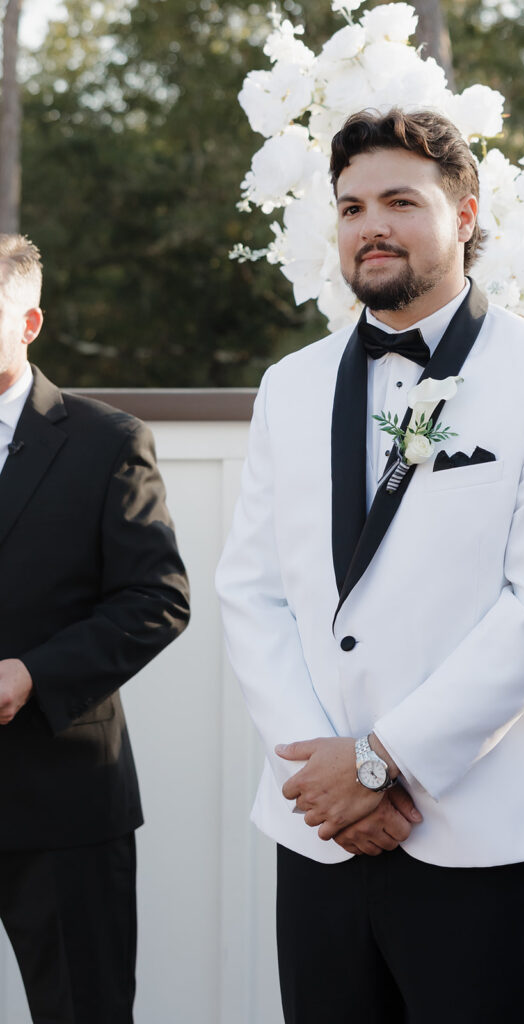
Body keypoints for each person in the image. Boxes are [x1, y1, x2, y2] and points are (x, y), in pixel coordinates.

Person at [216, 109, 524, 1023]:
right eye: (352, 206)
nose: (372, 225)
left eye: (401, 200)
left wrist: (381, 764)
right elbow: (253, 591)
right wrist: (325, 774)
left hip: (474, 829)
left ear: (466, 215)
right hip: (319, 831)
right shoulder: (290, 385)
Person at [0, 234, 190, 1024]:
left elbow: (157, 599)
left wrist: (31, 674)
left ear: (30, 321)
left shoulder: (108, 441)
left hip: (62, 799)